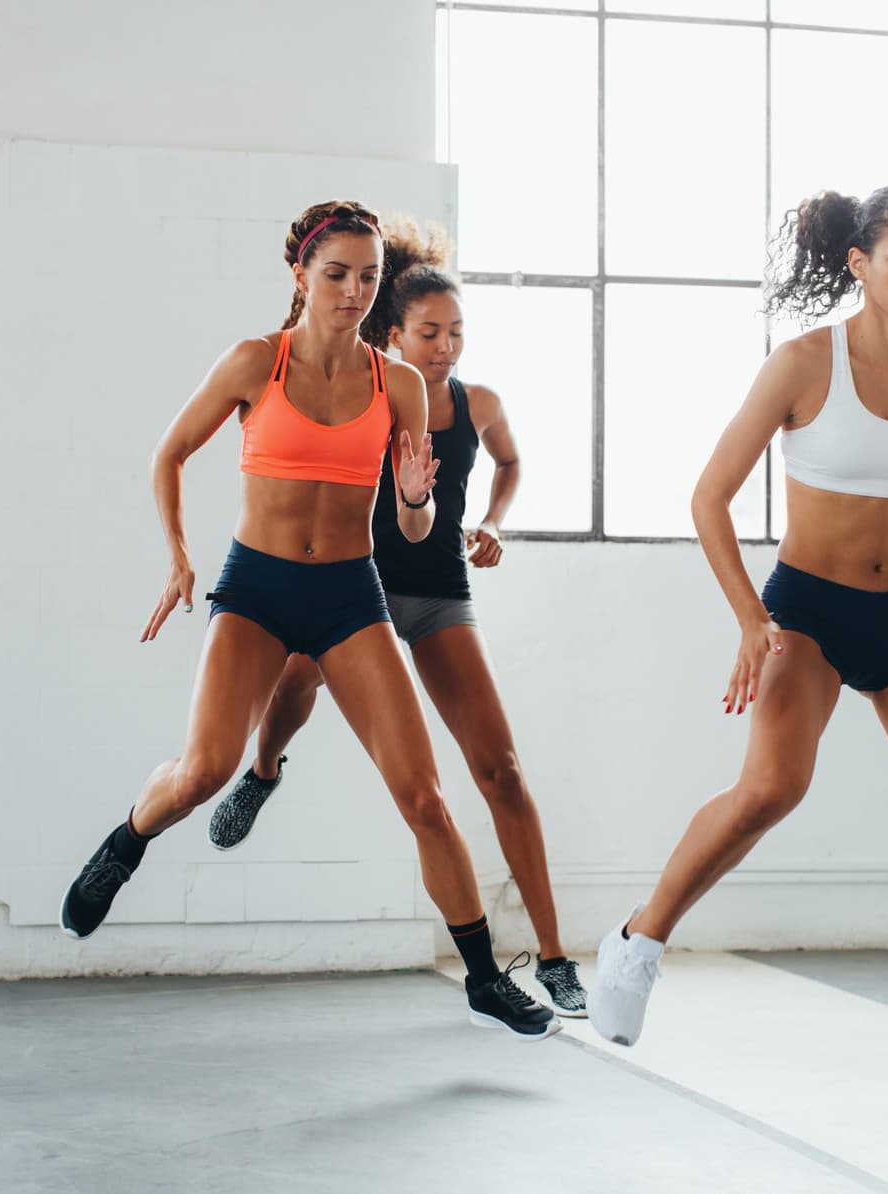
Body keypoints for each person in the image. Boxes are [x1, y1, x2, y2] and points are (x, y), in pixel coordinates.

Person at [590, 185, 888, 1143]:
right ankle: (638, 938)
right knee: (772, 789)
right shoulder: (804, 364)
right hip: (807, 614)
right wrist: (747, 619)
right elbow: (709, 498)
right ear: (859, 261)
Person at [59, 200, 556, 1040]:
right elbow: (169, 453)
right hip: (255, 589)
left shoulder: (398, 384)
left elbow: (409, 530)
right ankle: (127, 840)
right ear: (301, 275)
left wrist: (412, 498)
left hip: (348, 594)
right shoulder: (257, 362)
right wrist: (179, 556)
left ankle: (480, 977)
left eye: (368, 278)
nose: (355, 292)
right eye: (337, 275)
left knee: (425, 798)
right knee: (201, 773)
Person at [204, 217, 587, 1018]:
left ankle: (554, 956)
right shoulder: (369, 386)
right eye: (429, 332)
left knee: (502, 770)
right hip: (356, 586)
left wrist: (493, 520)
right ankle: (263, 773)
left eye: (457, 332)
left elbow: (511, 463)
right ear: (395, 333)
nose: (445, 347)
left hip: (439, 586)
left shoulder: (477, 403)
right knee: (295, 680)